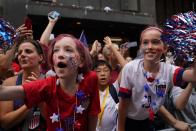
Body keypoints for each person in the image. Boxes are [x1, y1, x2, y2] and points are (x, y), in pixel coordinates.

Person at [0, 34, 100, 131]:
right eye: (56, 50)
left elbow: (93, 114)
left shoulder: (91, 79)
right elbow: (3, 93)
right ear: (52, 60)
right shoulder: (46, 85)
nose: (60, 54)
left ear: (81, 61)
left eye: (68, 50)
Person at [118, 26, 196, 131]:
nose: (149, 47)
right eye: (145, 43)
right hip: (124, 119)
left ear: (165, 48)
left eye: (155, 42)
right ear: (141, 47)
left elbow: (193, 76)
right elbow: (123, 106)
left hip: (146, 120)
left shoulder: (169, 71)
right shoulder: (130, 68)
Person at [0, 39, 46, 130]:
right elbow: (5, 123)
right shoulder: (10, 83)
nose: (22, 55)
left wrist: (39, 94)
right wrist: (32, 100)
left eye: (28, 51)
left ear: (40, 57)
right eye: (20, 53)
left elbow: (55, 119)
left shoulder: (49, 81)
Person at [94, 60, 119, 131]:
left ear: (111, 74)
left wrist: (112, 48)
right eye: (98, 71)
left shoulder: (115, 89)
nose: (102, 74)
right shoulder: (90, 92)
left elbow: (126, 68)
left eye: (106, 70)